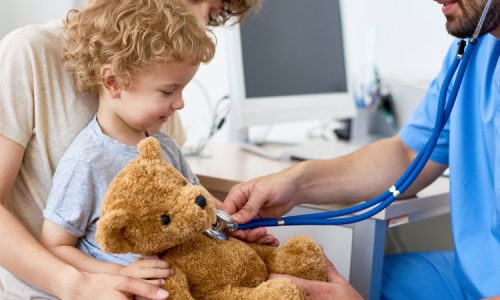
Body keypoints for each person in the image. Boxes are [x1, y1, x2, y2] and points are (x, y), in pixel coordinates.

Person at [223, 0, 500, 299]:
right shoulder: (474, 51)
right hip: (470, 277)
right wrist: (296, 183)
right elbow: (408, 155)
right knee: (317, 276)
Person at [0, 0, 266, 299]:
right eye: (193, 0)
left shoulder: (156, 106)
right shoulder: (29, 54)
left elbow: (169, 210)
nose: (203, 20)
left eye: (214, 12)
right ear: (112, 81)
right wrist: (79, 284)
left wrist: (224, 223)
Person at [37, 0, 214, 292]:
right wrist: (121, 272)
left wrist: (233, 218)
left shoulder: (164, 146)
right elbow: (54, 245)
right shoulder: (87, 161)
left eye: (183, 89)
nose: (180, 103)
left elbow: (196, 204)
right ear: (113, 82)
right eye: (169, 91)